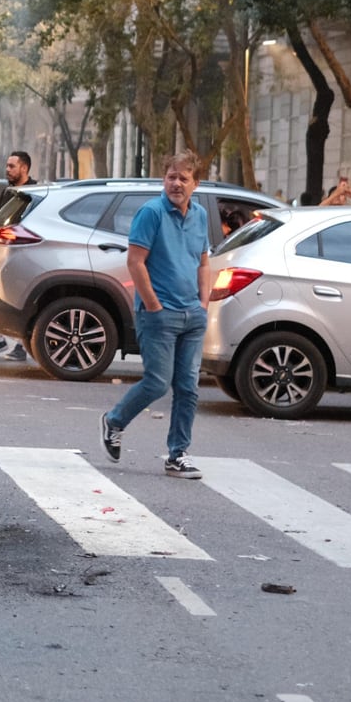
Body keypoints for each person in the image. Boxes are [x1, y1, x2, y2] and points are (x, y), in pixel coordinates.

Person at [99, 152, 211, 479]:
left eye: (183, 178)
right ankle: (114, 420)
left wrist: (203, 304)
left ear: (196, 184)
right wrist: (153, 306)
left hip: (192, 314)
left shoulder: (201, 215)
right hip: (159, 314)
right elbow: (136, 262)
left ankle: (178, 455)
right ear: (164, 179)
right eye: (171, 176)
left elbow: (203, 262)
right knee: (158, 383)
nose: (176, 183)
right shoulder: (151, 213)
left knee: (188, 388)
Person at [0, 150, 42, 360]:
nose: (7, 170)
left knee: (20, 296)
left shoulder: (35, 192)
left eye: (11, 166)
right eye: (7, 166)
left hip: (23, 251)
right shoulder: (8, 192)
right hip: (2, 248)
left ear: (24, 168)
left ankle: (20, 346)